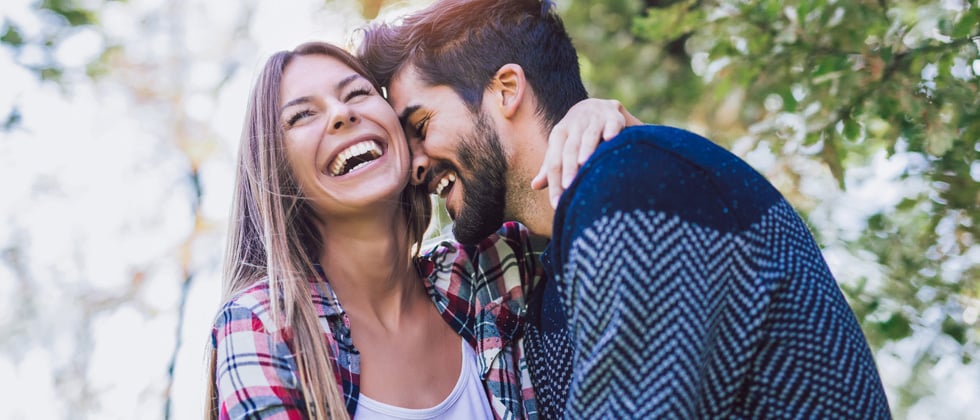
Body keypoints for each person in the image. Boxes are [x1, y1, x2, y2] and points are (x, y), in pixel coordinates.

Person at [357, 0, 893, 418]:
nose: (415, 165)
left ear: (506, 90)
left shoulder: (634, 182)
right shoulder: (543, 275)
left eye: (422, 126)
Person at [205, 41, 633, 419]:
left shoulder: (486, 271)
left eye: (357, 93)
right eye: (301, 116)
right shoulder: (263, 325)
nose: (342, 114)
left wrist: (593, 121)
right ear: (278, 173)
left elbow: (615, 225)